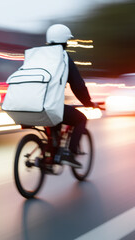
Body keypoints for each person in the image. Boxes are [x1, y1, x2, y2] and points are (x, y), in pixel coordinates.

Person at [46, 24, 97, 168]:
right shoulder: (63, 57)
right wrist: (88, 102)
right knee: (81, 118)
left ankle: (50, 152)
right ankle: (69, 153)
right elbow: (77, 85)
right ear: (65, 41)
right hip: (52, 106)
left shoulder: (38, 55)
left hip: (32, 105)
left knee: (53, 124)